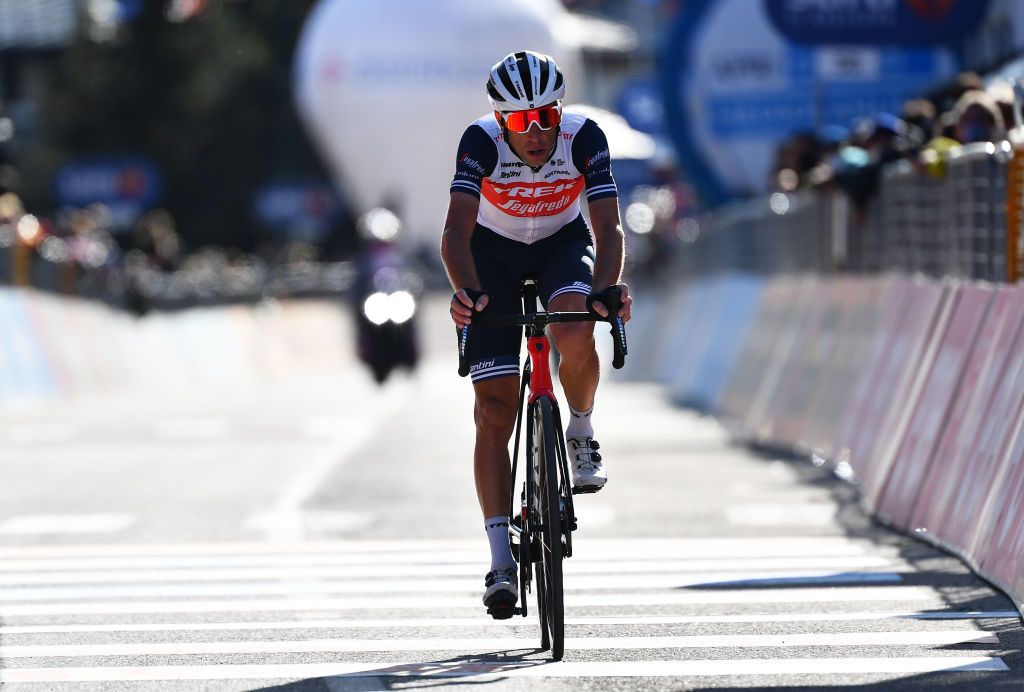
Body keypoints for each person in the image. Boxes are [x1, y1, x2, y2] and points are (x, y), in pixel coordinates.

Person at [440, 50, 632, 617]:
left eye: (546, 116)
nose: (537, 131)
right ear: (502, 121)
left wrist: (607, 287)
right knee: (495, 409)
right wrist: (467, 292)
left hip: (560, 245)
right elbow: (455, 230)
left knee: (575, 325)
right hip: (491, 256)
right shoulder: (479, 141)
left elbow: (608, 224)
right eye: (522, 121)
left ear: (560, 112)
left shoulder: (584, 137)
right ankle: (500, 560)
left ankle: (580, 429)